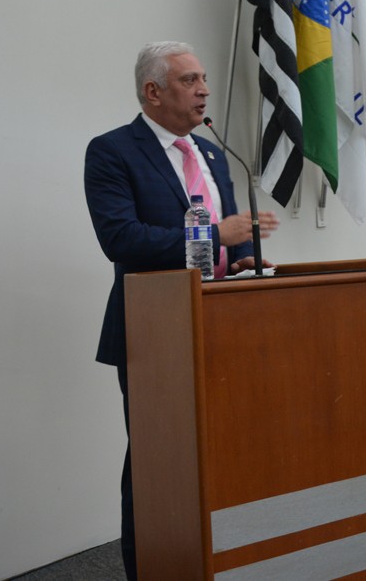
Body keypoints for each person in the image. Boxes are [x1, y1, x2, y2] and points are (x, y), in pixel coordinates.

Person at [84, 41, 279, 580]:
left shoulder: (213, 154)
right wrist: (216, 235)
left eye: (204, 79)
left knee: (227, 452)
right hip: (156, 333)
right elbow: (122, 238)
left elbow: (235, 233)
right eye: (190, 80)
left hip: (223, 323)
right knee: (158, 462)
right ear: (153, 91)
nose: (204, 91)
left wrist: (243, 258)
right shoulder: (112, 151)